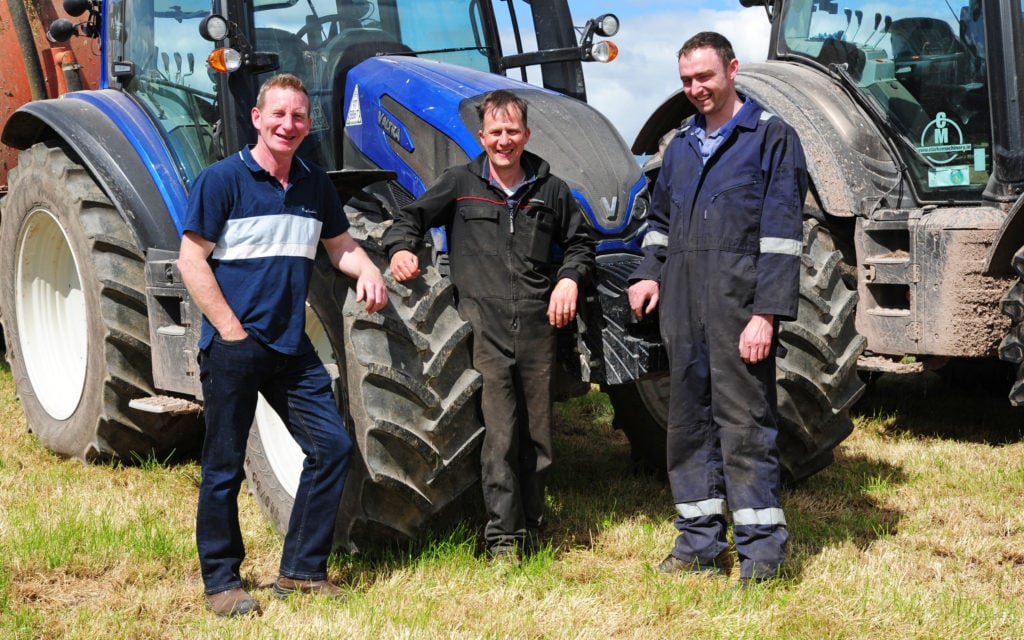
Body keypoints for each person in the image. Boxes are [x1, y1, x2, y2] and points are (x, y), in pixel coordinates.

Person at [178, 73, 387, 617]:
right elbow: (190, 260)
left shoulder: (315, 184)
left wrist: (367, 271)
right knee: (223, 466)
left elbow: (339, 247)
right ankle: (222, 583)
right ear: (257, 118)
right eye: (278, 114)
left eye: (297, 116)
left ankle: (300, 571)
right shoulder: (221, 180)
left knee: (332, 448)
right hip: (234, 346)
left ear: (307, 123)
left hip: (289, 348)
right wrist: (228, 329)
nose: (288, 125)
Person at [383, 89, 594, 563]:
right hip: (485, 327)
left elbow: (581, 245)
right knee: (501, 433)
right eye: (495, 132)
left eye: (512, 131)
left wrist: (568, 280)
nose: (504, 141)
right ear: (482, 136)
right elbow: (410, 218)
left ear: (527, 135)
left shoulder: (551, 190)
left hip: (539, 326)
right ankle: (503, 538)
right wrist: (399, 248)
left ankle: (532, 527)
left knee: (538, 437)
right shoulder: (460, 183)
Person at [627, 32, 807, 586]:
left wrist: (766, 313)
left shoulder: (771, 138)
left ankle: (762, 556)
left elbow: (782, 236)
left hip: (738, 308)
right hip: (683, 305)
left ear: (731, 70)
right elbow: (657, 224)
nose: (695, 89)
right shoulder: (678, 146)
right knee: (686, 426)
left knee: (746, 426)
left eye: (704, 77)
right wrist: (645, 275)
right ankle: (698, 543)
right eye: (686, 80)